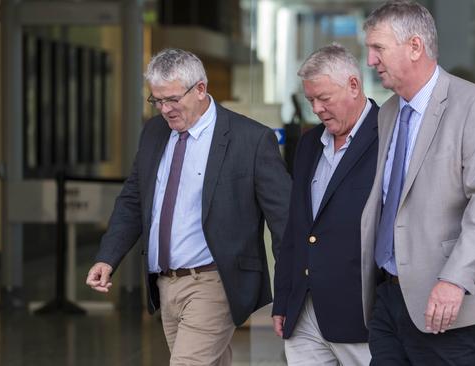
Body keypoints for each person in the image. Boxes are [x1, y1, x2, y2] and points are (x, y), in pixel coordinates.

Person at [85, 48, 291, 366]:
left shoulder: (250, 139)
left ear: (200, 89)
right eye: (157, 101)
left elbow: (283, 220)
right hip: (165, 284)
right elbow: (133, 200)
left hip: (215, 282)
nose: (165, 109)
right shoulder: (154, 133)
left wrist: (291, 291)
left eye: (172, 99)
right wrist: (107, 257)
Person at [360, 1, 475, 365]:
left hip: (447, 300)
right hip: (389, 298)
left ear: (414, 47)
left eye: (378, 48)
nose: (370, 60)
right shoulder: (387, 112)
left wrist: (455, 280)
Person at [272, 43, 378, 366]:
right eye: (310, 100)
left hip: (361, 317)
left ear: (354, 85)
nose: (316, 109)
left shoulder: (389, 133)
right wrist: (282, 300)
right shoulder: (307, 144)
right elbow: (296, 229)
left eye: (324, 98)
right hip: (304, 314)